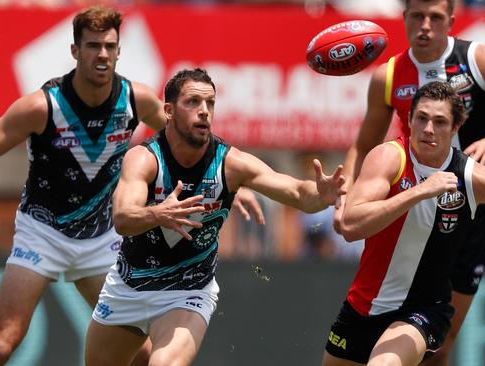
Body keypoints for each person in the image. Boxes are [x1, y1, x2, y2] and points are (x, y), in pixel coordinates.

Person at [0, 7, 261, 365]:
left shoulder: (135, 100)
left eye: (110, 46)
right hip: (42, 233)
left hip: (101, 239)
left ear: (120, 51)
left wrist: (232, 182)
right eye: (93, 46)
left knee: (141, 355)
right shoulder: (42, 106)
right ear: (75, 51)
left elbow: (185, 141)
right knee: (1, 345)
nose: (103, 54)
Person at [335, 0, 485, 364]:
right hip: (414, 208)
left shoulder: (478, 60)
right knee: (395, 322)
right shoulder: (389, 75)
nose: (425, 26)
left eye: (435, 17)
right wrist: (344, 196)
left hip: (470, 215)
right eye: (417, 16)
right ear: (403, 18)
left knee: (441, 342)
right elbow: (363, 146)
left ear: (451, 21)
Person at [84, 68, 346, 366]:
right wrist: (159, 212)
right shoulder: (144, 158)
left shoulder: (230, 163)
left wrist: (321, 195)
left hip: (188, 291)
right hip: (129, 287)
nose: (204, 111)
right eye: (193, 102)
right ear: (168, 111)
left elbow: (298, 193)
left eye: (210, 103)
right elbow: (122, 218)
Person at [323, 81, 485, 366]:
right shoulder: (388, 158)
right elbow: (351, 226)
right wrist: (419, 192)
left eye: (440, 122)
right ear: (409, 119)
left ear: (455, 128)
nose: (428, 129)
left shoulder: (473, 178)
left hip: (421, 310)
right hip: (361, 306)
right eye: (421, 118)